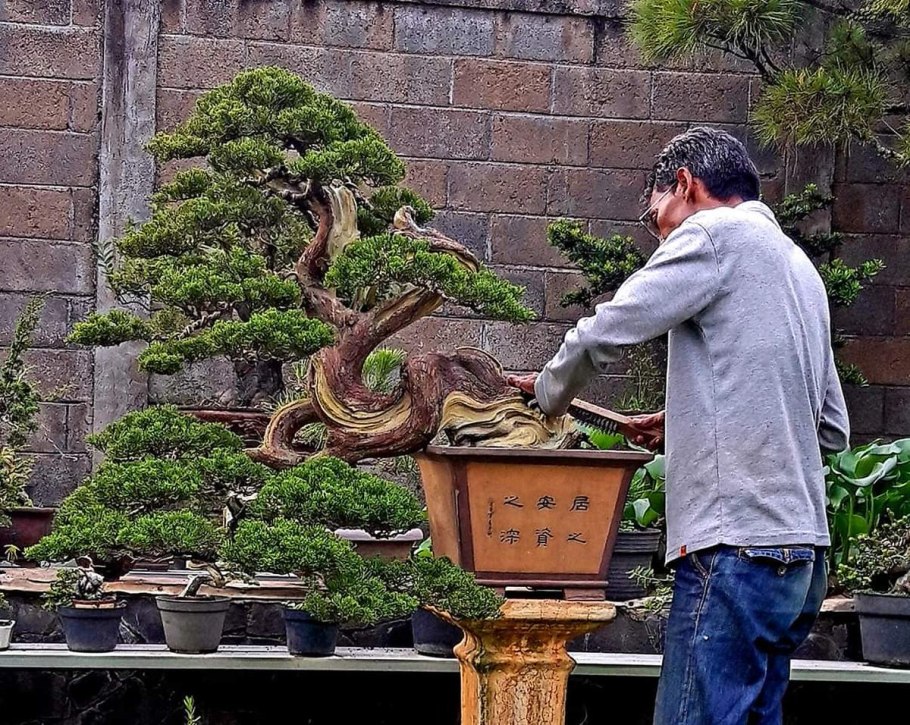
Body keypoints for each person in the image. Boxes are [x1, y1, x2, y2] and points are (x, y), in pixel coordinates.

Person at [507, 126, 850, 725]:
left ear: (685, 186)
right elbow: (829, 428)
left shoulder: (713, 234)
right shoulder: (800, 269)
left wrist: (545, 395)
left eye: (656, 216)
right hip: (802, 558)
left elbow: (606, 330)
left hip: (734, 552)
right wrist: (692, 420)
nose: (659, 234)